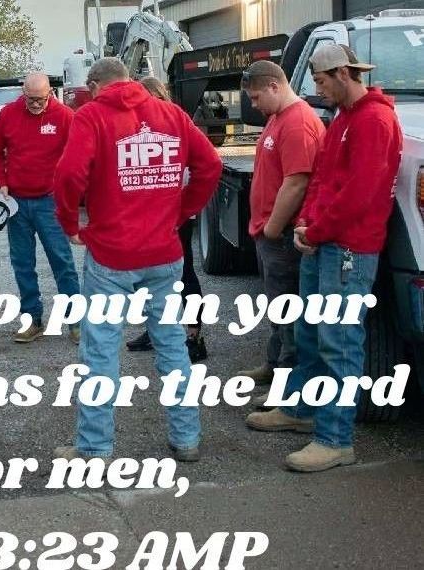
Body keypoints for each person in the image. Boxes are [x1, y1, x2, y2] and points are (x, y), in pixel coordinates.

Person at [52, 58, 222, 462]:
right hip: (164, 255)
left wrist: (69, 224)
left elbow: (68, 177)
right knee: (173, 348)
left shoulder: (92, 116)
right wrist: (183, 211)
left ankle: (95, 448)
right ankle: (186, 439)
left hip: (112, 257)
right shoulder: (172, 114)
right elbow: (210, 165)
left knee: (101, 354)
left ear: (95, 85)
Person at [246, 45, 402, 472]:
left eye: (320, 82)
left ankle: (335, 439)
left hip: (349, 249)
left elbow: (360, 193)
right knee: (311, 330)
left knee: (340, 343)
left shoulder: (373, 120)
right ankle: (301, 408)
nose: (317, 90)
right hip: (325, 242)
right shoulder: (345, 119)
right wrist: (309, 226)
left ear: (343, 74)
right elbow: (322, 179)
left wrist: (315, 229)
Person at [238, 61, 325, 394]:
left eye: (257, 97)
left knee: (289, 313)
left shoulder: (299, 123)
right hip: (268, 232)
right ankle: (274, 365)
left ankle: (288, 391)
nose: (255, 105)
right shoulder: (278, 117)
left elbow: (297, 182)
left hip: (283, 235)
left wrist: (273, 228)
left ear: (275, 86)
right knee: (277, 307)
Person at [0, 72, 81, 343]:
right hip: (16, 202)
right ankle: (33, 320)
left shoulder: (64, 116)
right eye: (30, 99)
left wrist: (68, 188)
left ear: (50, 93)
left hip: (49, 202)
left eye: (40, 99)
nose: (35, 105)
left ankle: (76, 322)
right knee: (22, 263)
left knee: (62, 261)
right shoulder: (8, 114)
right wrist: (1, 181)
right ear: (22, 93)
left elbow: (77, 154)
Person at [125, 76, 208, 363]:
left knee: (184, 274)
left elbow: (205, 164)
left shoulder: (176, 121)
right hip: (151, 215)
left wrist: (185, 208)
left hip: (176, 213)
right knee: (150, 277)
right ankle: (156, 329)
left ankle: (195, 335)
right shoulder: (140, 125)